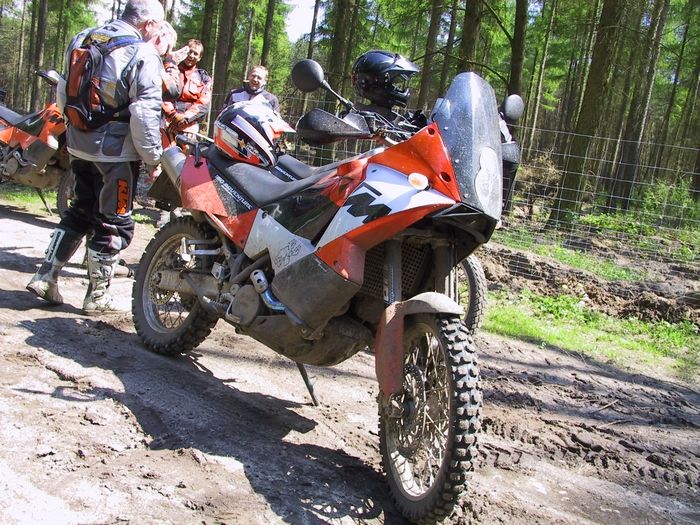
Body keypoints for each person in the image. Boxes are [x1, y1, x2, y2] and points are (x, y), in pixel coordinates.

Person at [26, 0, 166, 314]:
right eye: (158, 26)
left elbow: (63, 89)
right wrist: (153, 159)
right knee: (114, 221)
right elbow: (144, 114)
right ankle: (97, 296)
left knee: (80, 209)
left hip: (79, 146)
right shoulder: (143, 53)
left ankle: (46, 275)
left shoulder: (84, 37)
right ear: (148, 24)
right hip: (116, 156)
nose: (158, 33)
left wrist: (73, 130)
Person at [350, 49, 424, 126]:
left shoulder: (356, 115)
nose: (395, 87)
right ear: (382, 81)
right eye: (393, 82)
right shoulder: (367, 120)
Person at [162, 39, 212, 135]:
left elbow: (204, 104)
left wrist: (184, 119)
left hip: (189, 127)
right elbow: (161, 92)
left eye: (195, 54)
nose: (191, 55)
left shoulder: (204, 78)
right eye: (189, 51)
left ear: (200, 57)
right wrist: (173, 116)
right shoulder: (170, 70)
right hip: (165, 122)